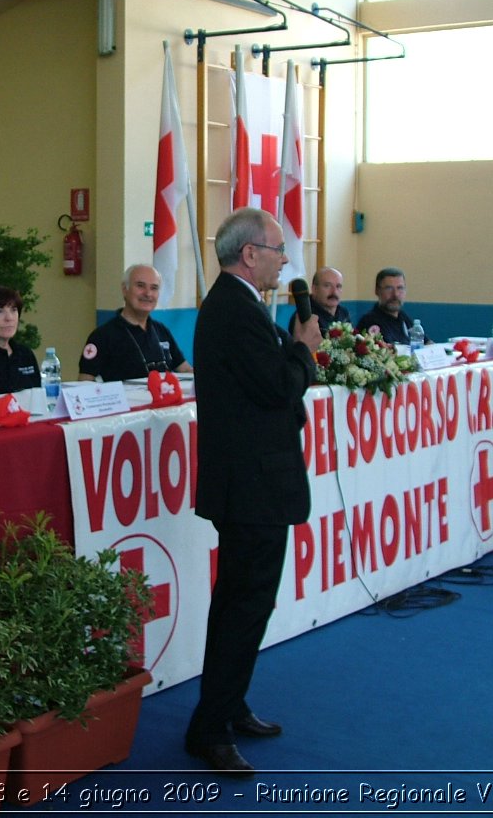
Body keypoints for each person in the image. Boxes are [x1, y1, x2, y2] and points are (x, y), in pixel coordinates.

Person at [184, 208, 322, 778]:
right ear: (249, 254)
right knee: (243, 605)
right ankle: (209, 730)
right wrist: (304, 349)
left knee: (248, 604)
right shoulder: (233, 311)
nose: (285, 259)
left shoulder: (239, 306)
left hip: (254, 482)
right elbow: (277, 387)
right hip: (251, 487)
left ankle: (229, 704)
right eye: (278, 248)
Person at [78, 264, 193, 382]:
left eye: (154, 288)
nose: (148, 293)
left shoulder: (161, 330)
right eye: (140, 286)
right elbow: (85, 381)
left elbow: (185, 369)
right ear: (124, 289)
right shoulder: (102, 336)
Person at [354, 266, 426, 344]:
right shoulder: (369, 322)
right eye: (389, 288)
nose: (395, 294)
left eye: (400, 288)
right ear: (377, 291)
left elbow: (426, 343)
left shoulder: (403, 317)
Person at [292, 266, 349, 333]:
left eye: (338, 286)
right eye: (327, 285)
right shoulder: (305, 316)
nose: (334, 292)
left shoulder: (343, 313)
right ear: (314, 289)